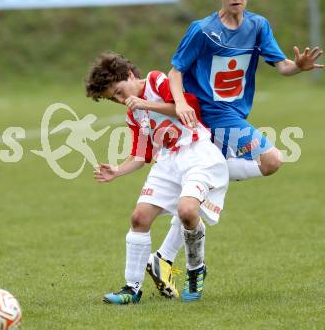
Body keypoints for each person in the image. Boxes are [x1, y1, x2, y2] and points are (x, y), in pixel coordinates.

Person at [146, 0, 325, 297]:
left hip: (233, 117)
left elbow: (281, 65)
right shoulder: (202, 30)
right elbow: (176, 70)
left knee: (195, 197)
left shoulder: (258, 27)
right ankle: (168, 257)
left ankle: (163, 258)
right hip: (210, 118)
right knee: (272, 160)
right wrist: (181, 102)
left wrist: (297, 67)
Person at [85, 52, 229, 304]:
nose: (120, 100)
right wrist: (117, 170)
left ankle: (196, 269)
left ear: (130, 75)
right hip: (168, 163)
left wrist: (146, 104)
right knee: (139, 218)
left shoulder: (155, 81)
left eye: (119, 91)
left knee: (187, 211)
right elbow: (141, 156)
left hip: (197, 154)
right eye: (113, 98)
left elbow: (186, 109)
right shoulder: (134, 114)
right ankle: (131, 289)